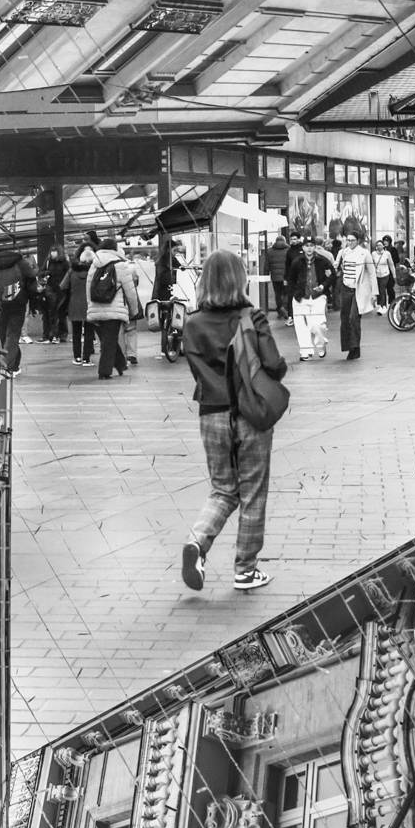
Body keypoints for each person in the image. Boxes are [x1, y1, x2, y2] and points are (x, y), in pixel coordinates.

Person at [179, 249, 286, 593]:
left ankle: (197, 542)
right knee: (253, 491)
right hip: (249, 413)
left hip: (211, 413)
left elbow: (197, 370)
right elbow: (274, 364)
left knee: (223, 489)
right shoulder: (251, 317)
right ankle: (245, 569)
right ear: (240, 280)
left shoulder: (192, 323)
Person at [84, 235, 132, 379]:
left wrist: (90, 307)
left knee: (108, 340)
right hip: (114, 310)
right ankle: (104, 372)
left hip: (95, 309)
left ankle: (121, 364)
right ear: (115, 249)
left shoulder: (94, 265)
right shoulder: (121, 265)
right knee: (109, 341)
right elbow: (130, 291)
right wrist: (134, 310)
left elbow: (88, 288)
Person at [284, 229, 335, 361]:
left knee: (317, 324)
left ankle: (321, 344)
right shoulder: (296, 262)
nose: (309, 248)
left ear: (315, 247)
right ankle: (305, 351)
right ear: (303, 247)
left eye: (311, 245)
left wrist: (323, 286)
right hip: (300, 297)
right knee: (300, 325)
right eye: (306, 246)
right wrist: (294, 294)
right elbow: (290, 279)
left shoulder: (323, 261)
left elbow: (332, 276)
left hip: (318, 297)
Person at [336, 230, 373, 360]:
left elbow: (372, 273)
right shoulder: (343, 252)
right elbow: (339, 267)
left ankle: (355, 347)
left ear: (358, 241)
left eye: (352, 240)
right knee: (345, 318)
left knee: (354, 318)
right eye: (348, 240)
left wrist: (375, 293)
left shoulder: (365, 253)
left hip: (359, 289)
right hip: (346, 288)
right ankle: (348, 346)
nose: (350, 242)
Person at [66, 237, 96, 366]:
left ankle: (77, 357)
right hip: (90, 304)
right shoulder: (94, 271)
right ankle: (87, 359)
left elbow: (63, 286)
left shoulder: (72, 271)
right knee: (89, 332)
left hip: (74, 304)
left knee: (76, 333)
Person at [40, 247, 69, 342]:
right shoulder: (48, 261)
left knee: (61, 312)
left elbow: (68, 273)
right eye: (52, 251)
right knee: (52, 311)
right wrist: (46, 273)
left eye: (54, 251)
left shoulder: (64, 262)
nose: (53, 253)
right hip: (51, 288)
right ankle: (53, 334)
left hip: (61, 289)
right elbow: (40, 272)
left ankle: (62, 334)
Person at [265, 232, 291, 320]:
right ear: (285, 241)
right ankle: (284, 307)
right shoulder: (289, 250)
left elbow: (266, 265)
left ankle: (280, 310)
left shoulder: (270, 251)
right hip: (286, 277)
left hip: (275, 277)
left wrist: (266, 274)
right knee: (286, 293)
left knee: (278, 294)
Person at [371, 238, 396, 313]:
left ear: (383, 246)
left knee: (382, 289)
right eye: (377, 245)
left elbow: (391, 264)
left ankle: (383, 306)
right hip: (377, 274)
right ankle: (381, 305)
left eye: (380, 245)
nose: (379, 246)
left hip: (385, 274)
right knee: (378, 290)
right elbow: (371, 264)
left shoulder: (387, 253)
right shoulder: (373, 254)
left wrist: (394, 274)